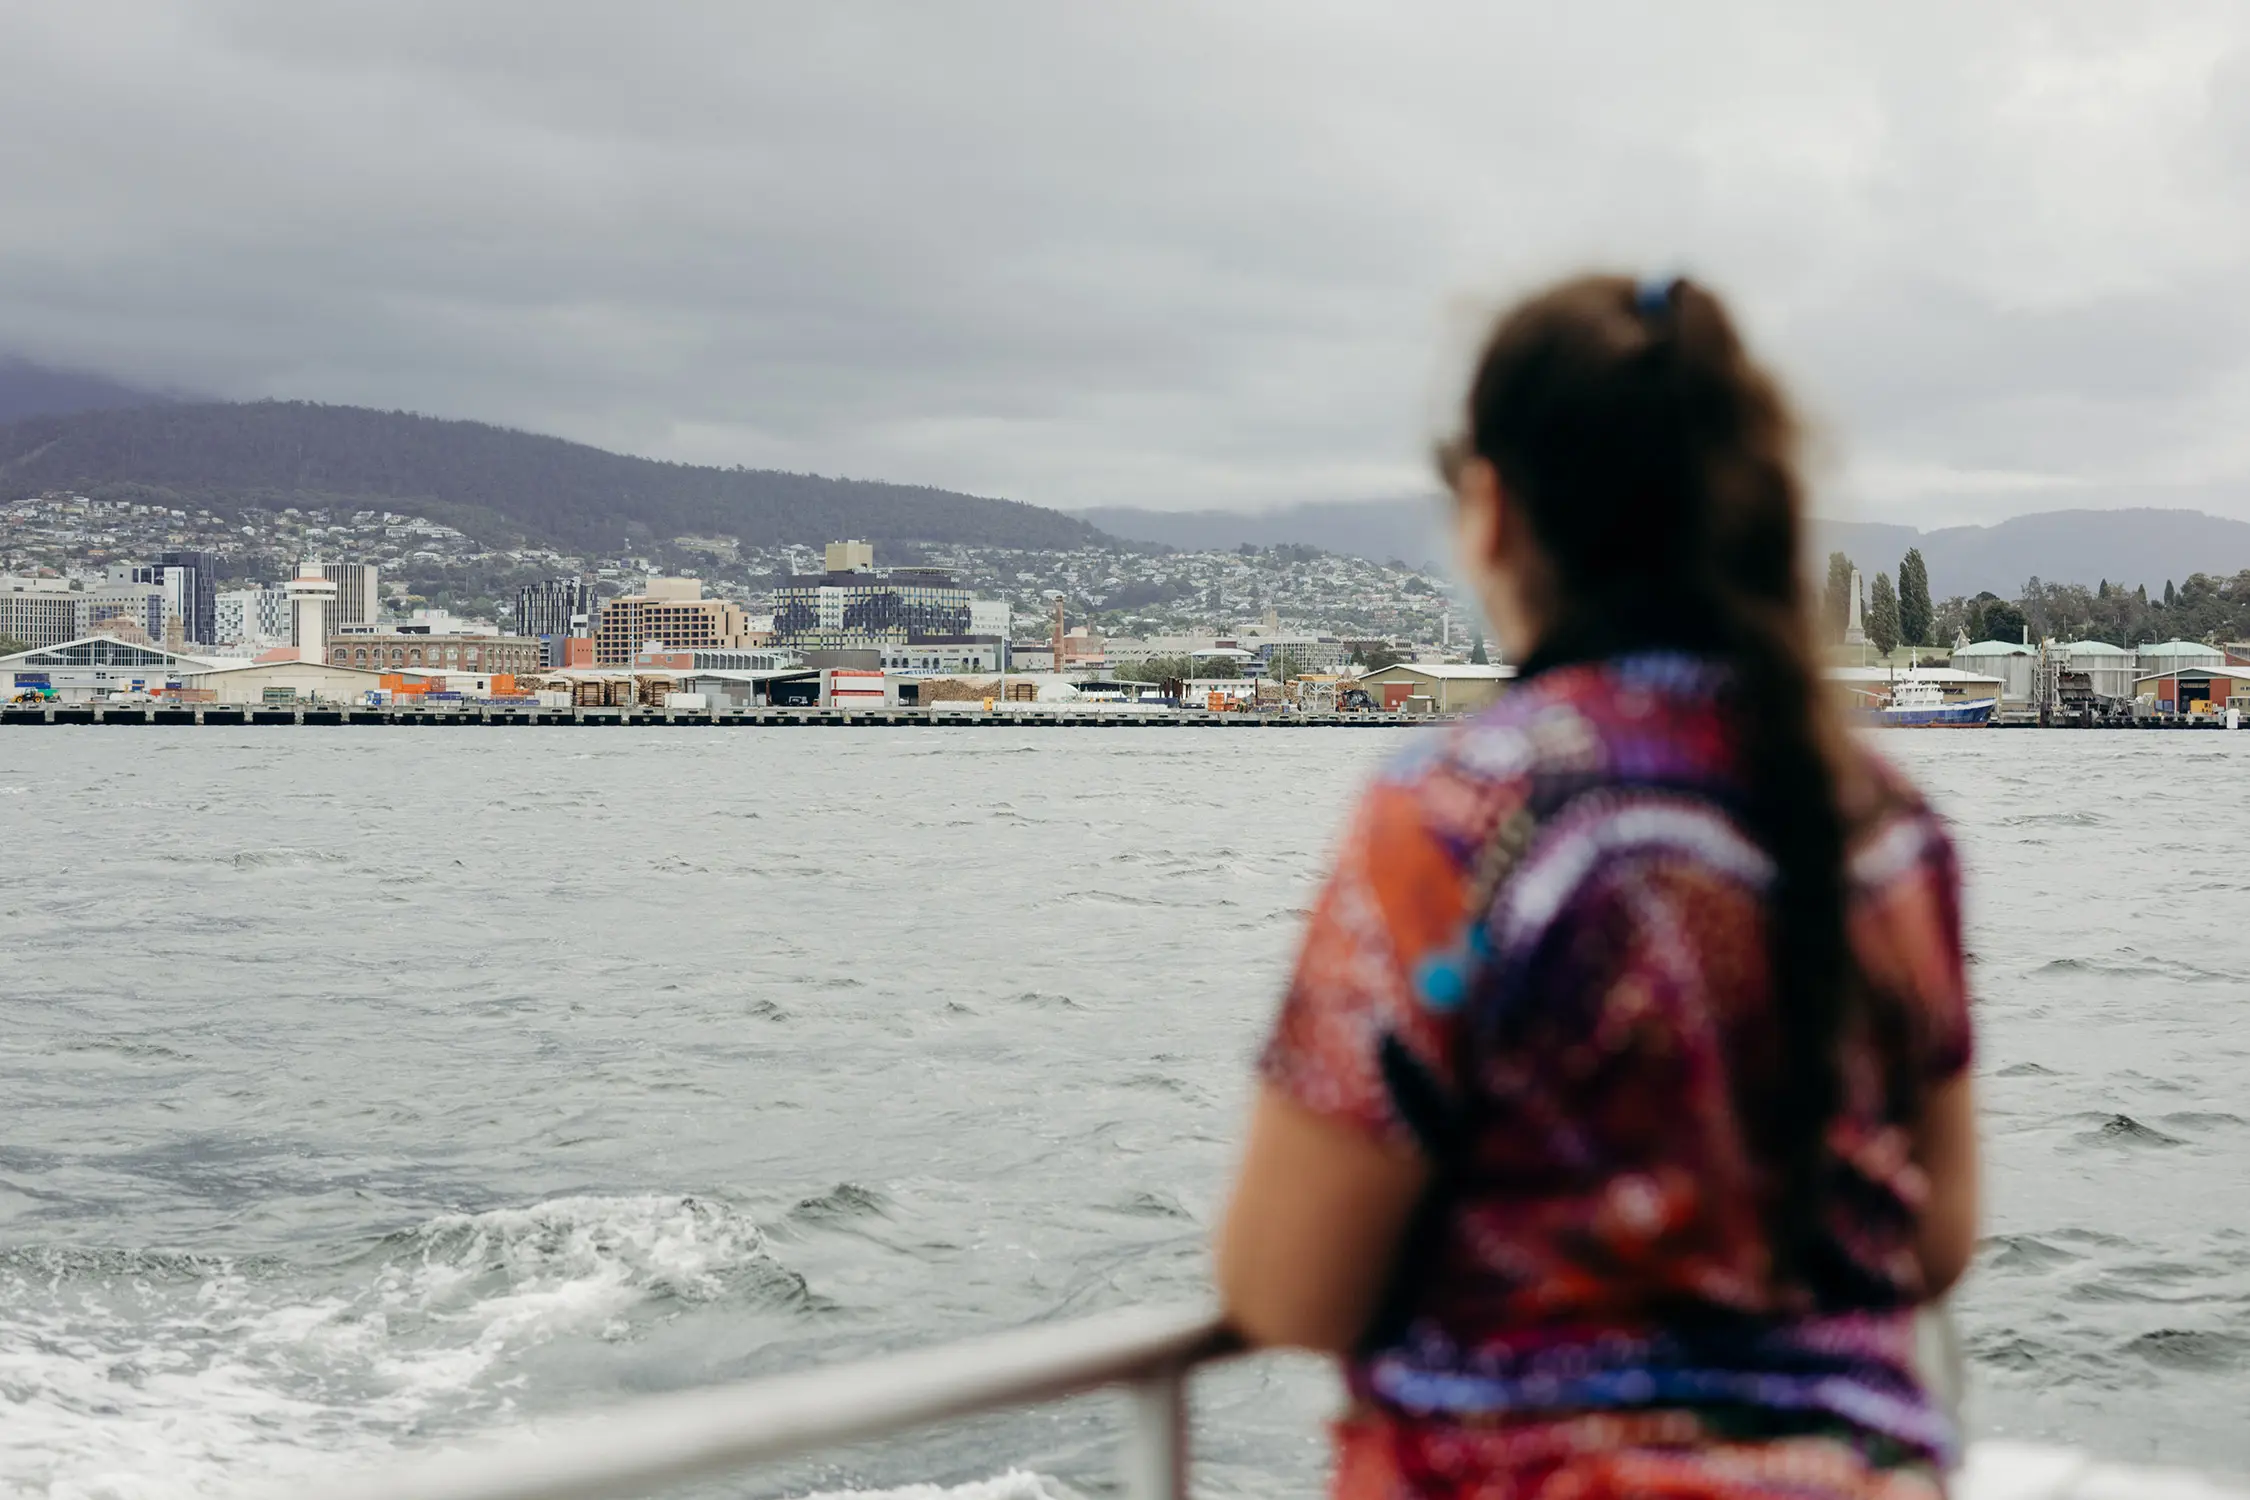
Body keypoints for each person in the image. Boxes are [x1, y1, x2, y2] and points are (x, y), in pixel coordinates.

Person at [1215, 274, 1978, 1500]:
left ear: (1494, 513)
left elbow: (1287, 1287)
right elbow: (1934, 1238)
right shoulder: (1882, 826)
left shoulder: (1456, 818)